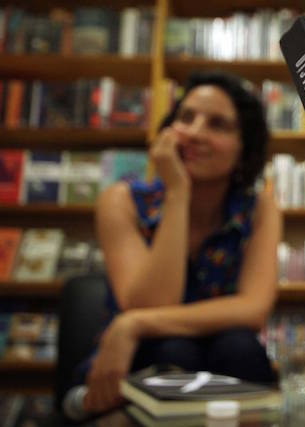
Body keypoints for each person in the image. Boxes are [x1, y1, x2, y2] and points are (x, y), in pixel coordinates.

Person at [81, 72, 281, 414]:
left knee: (240, 346)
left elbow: (253, 309)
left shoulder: (259, 209)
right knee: (174, 351)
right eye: (186, 117)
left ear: (244, 149)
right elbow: (151, 302)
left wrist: (132, 324)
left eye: (217, 124)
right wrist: (177, 193)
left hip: (222, 357)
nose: (194, 133)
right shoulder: (122, 201)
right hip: (133, 364)